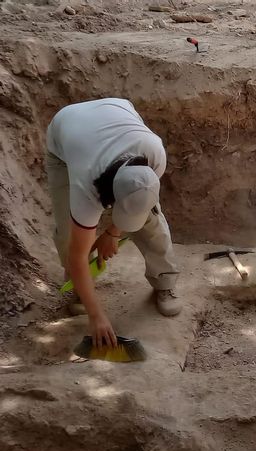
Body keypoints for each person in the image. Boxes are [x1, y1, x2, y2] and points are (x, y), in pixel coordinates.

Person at [45, 98, 182, 348]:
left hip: (115, 111)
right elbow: (78, 254)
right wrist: (97, 317)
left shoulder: (155, 156)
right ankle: (80, 287)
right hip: (66, 134)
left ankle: (165, 282)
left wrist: (113, 232)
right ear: (109, 195)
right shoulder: (85, 185)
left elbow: (136, 199)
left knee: (150, 219)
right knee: (70, 233)